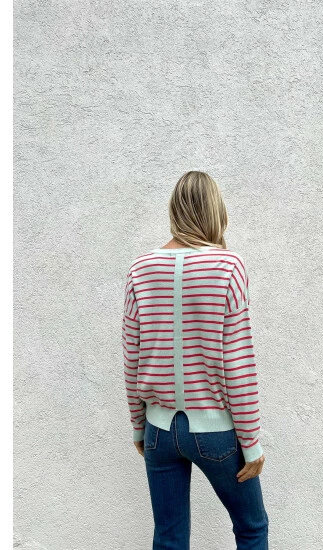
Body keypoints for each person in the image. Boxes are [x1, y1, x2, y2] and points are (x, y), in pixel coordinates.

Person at [123, 171, 269, 549]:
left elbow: (132, 357)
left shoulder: (140, 269)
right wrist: (251, 443)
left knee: (169, 537)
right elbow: (238, 363)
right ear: (215, 211)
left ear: (175, 210)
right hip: (216, 432)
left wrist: (139, 427)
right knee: (252, 527)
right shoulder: (228, 266)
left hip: (159, 431)